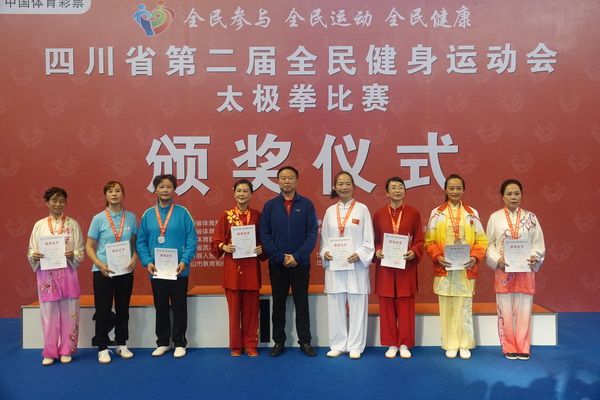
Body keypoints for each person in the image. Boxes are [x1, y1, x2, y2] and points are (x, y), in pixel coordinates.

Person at [424, 174, 488, 359]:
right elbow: (429, 241)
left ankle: (464, 344)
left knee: (464, 305)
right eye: (451, 188)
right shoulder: (436, 213)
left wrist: (475, 257)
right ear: (445, 190)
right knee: (446, 306)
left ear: (463, 190)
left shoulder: (472, 213)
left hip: (465, 268)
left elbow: (482, 240)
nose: (455, 191)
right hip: (444, 267)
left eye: (458, 188)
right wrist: (437, 256)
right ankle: (450, 343)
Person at [136, 174, 197, 358]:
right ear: (155, 190)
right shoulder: (148, 215)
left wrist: (184, 261)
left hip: (179, 270)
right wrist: (147, 261)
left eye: (169, 187)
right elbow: (141, 241)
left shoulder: (183, 213)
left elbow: (192, 240)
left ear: (174, 190)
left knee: (179, 307)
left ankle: (179, 343)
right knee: (161, 306)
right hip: (157, 271)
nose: (165, 190)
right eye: (161, 187)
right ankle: (163, 342)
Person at [259, 166, 318, 357]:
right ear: (278, 181)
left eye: (290, 178)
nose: (287, 181)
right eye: (283, 178)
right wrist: (280, 257)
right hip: (277, 264)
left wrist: (297, 257)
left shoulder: (307, 205)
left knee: (302, 304)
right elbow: (265, 235)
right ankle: (279, 341)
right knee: (278, 304)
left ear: (297, 181)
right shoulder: (270, 206)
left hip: (301, 264)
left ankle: (305, 341)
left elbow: (312, 234)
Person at [485, 179, 545, 360]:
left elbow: (538, 243)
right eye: (509, 194)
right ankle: (509, 346)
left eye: (516, 193)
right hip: (503, 270)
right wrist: (497, 259)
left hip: (525, 271)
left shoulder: (531, 218)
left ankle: (523, 347)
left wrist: (534, 256)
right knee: (505, 308)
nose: (513, 197)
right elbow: (488, 244)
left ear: (521, 195)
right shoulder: (495, 218)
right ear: (502, 196)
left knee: (524, 308)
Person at [27, 187, 84, 366]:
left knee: (70, 312)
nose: (58, 204)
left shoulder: (73, 224)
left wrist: (73, 254)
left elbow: (80, 249)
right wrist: (34, 255)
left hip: (68, 273)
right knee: (49, 314)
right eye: (54, 200)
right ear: (47, 202)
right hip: (47, 275)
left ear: (65, 203)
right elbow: (31, 249)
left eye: (61, 201)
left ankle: (66, 350)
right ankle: (50, 351)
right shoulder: (39, 225)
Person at [320, 172, 374, 359]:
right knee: (335, 305)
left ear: (353, 186)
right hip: (335, 266)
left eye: (347, 183)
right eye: (340, 184)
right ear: (335, 187)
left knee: (358, 305)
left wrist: (359, 254)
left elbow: (369, 240)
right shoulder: (329, 211)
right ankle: (338, 344)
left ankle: (355, 346)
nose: (344, 187)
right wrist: (325, 252)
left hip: (356, 266)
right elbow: (324, 240)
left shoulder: (362, 209)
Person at [211, 179, 266, 357]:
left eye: (245, 191)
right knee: (234, 311)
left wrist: (262, 248)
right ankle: (235, 345)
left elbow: (265, 240)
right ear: (234, 193)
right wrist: (223, 246)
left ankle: (250, 344)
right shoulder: (225, 215)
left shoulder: (257, 215)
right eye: (239, 191)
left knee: (251, 311)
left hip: (251, 269)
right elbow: (216, 241)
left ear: (251, 194)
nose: (242, 194)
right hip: (232, 270)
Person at [86, 181, 138, 364]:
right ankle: (102, 347)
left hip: (125, 270)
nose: (114, 194)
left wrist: (134, 258)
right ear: (105, 196)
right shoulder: (98, 218)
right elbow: (89, 246)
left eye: (117, 190)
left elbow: (134, 243)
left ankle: (122, 343)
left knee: (123, 308)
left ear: (123, 194)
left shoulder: (131, 217)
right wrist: (99, 264)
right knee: (103, 310)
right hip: (103, 272)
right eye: (110, 191)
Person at [372, 177, 424, 359]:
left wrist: (413, 251)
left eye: (400, 187)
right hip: (385, 268)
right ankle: (391, 343)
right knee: (386, 306)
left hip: (405, 267)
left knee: (405, 306)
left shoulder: (413, 213)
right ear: (387, 192)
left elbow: (420, 240)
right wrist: (377, 250)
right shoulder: (379, 214)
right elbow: (375, 240)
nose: (397, 190)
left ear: (405, 191)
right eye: (393, 187)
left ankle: (404, 343)